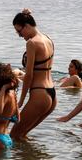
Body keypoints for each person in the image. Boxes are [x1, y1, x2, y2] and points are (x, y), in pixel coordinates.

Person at [10, 8, 57, 141]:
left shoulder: (31, 43)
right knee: (22, 135)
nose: (19, 35)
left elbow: (29, 75)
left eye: (19, 31)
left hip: (39, 94)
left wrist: (21, 101)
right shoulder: (48, 39)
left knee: (13, 136)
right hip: (52, 95)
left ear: (27, 26)